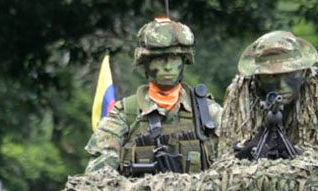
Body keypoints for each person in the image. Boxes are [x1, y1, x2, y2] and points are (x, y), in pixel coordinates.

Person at [84, 17, 221, 175]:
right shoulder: (125, 115)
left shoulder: (208, 113)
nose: (168, 67)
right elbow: (98, 174)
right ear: (146, 62)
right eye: (160, 59)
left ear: (184, 61)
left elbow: (234, 165)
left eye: (174, 58)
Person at [218, 30, 318, 160]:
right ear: (258, 79)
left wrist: (300, 154)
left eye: (290, 75)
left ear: (303, 72)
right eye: (271, 77)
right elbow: (227, 155)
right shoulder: (241, 92)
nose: (281, 86)